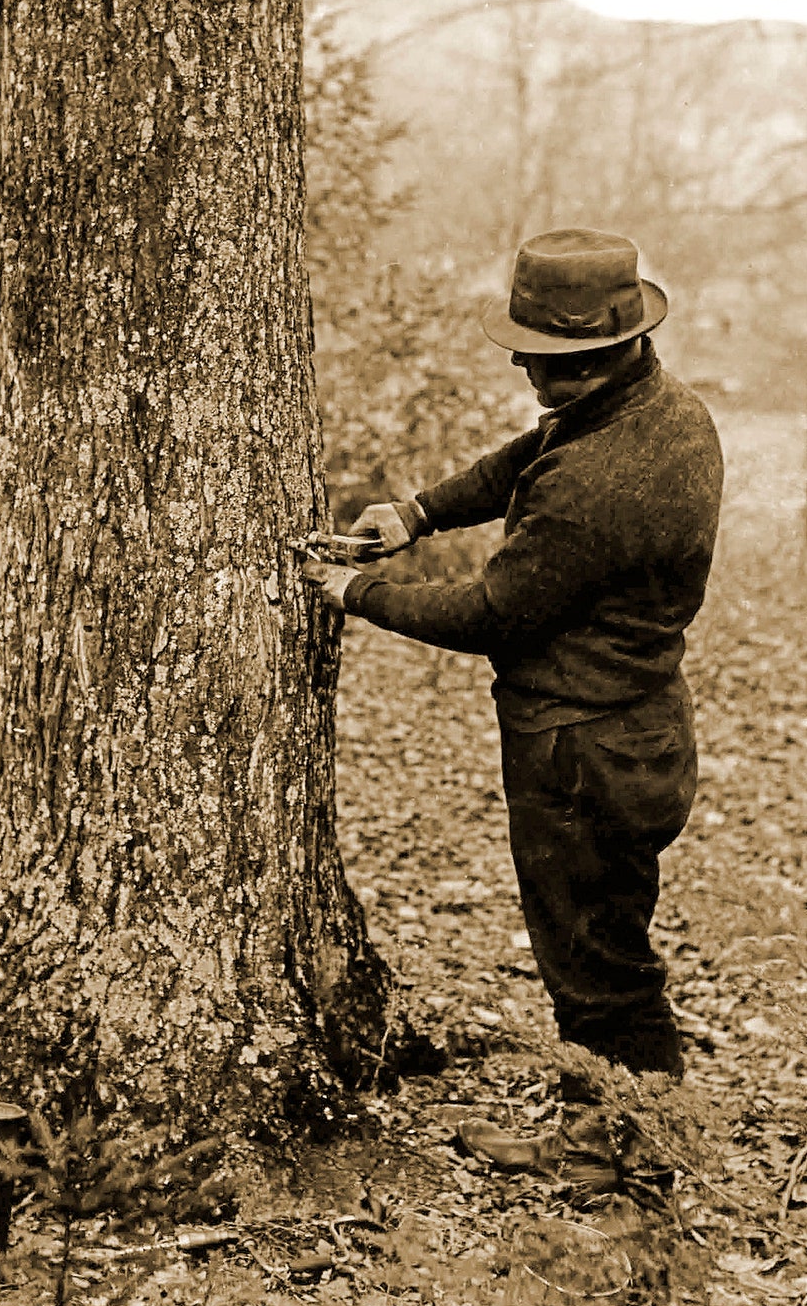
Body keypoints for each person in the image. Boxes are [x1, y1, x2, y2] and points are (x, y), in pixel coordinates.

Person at [303, 229, 723, 1176]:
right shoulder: (662, 409)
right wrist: (416, 513)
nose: (534, 372)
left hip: (580, 754)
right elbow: (525, 457)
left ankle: (624, 1156)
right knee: (611, 945)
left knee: (596, 965)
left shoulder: (596, 485)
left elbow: (495, 612)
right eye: (532, 351)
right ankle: (628, 1133)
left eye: (555, 361)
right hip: (642, 731)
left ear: (606, 350)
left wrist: (354, 595)